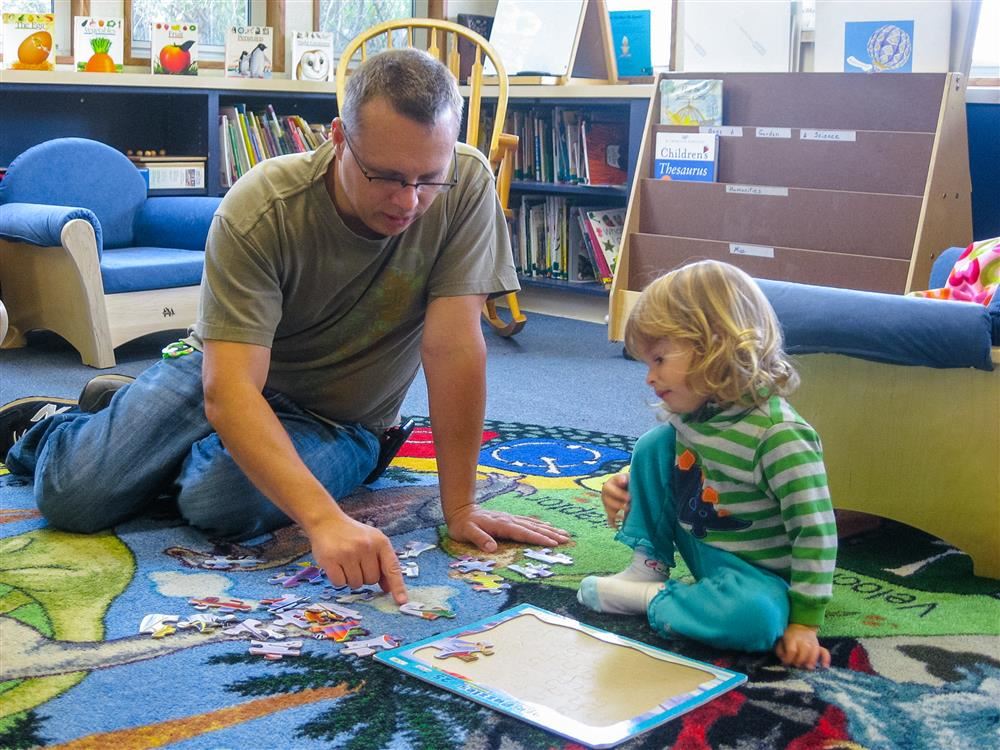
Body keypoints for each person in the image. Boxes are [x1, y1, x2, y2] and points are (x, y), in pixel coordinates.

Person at [1, 48, 569, 604]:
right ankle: (58, 427)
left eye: (429, 178)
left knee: (220, 505)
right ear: (339, 139)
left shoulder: (466, 185)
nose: (410, 200)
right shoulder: (263, 206)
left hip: (342, 421)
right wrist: (323, 519)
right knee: (73, 497)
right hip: (224, 373)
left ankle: (140, 431)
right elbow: (229, 390)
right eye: (388, 177)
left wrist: (461, 507)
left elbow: (452, 350)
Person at [577, 260, 837, 670]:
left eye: (659, 359)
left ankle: (651, 598)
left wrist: (804, 623)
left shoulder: (780, 436)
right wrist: (628, 485)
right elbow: (684, 473)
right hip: (704, 543)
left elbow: (816, 532)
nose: (649, 377)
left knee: (757, 621)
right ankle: (646, 568)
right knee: (656, 443)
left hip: (759, 578)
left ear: (716, 344)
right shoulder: (696, 416)